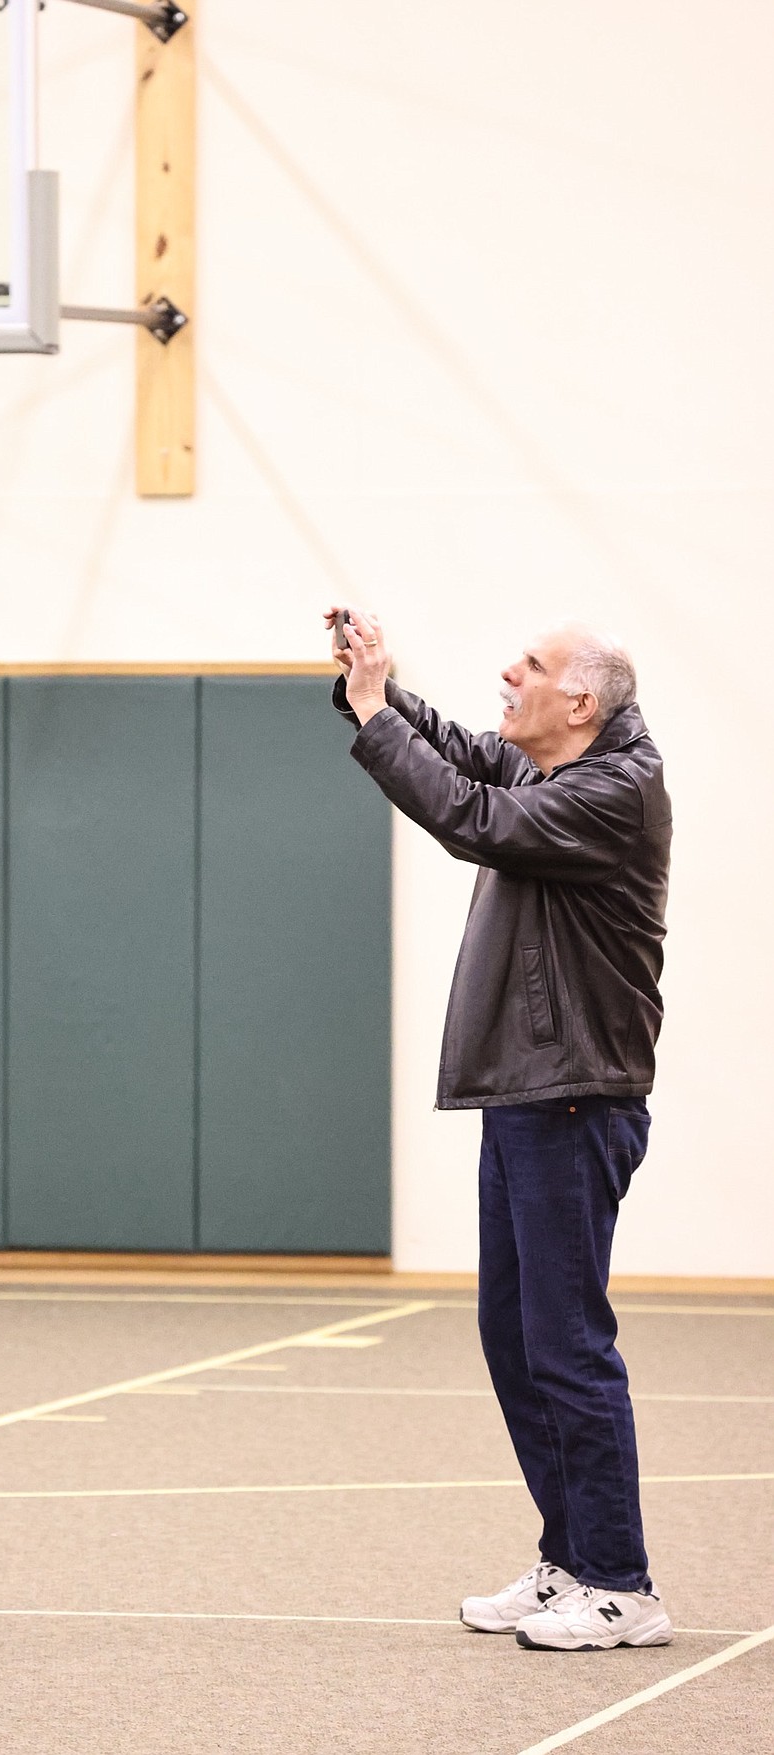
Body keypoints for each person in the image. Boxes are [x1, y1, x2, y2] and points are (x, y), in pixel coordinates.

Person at [325, 606, 673, 1653]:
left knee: (567, 1344)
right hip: (531, 1093)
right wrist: (375, 690)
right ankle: (571, 1561)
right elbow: (471, 755)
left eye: (531, 666)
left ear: (581, 701)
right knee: (516, 1338)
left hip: (574, 1094)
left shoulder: (611, 791)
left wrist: (380, 718)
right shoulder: (552, 765)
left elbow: (470, 816)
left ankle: (622, 1585)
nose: (507, 674)